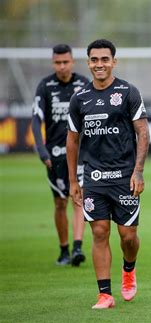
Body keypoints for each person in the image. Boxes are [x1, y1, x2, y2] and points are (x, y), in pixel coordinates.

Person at [66, 39, 150, 309]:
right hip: (94, 179)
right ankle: (105, 294)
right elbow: (72, 141)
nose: (99, 64)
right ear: (88, 62)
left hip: (125, 178)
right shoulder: (79, 99)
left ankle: (128, 269)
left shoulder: (128, 92)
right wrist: (73, 181)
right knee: (100, 232)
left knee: (127, 236)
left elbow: (143, 132)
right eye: (94, 59)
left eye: (104, 59)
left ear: (114, 61)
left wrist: (138, 171)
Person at [32, 44, 89, 266]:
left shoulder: (83, 84)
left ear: (72, 62)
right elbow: (36, 120)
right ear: (53, 63)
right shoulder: (45, 86)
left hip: (81, 153)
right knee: (59, 203)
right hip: (54, 155)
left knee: (78, 199)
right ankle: (64, 250)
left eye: (66, 62)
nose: (62, 66)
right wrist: (41, 149)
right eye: (58, 62)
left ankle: (77, 248)